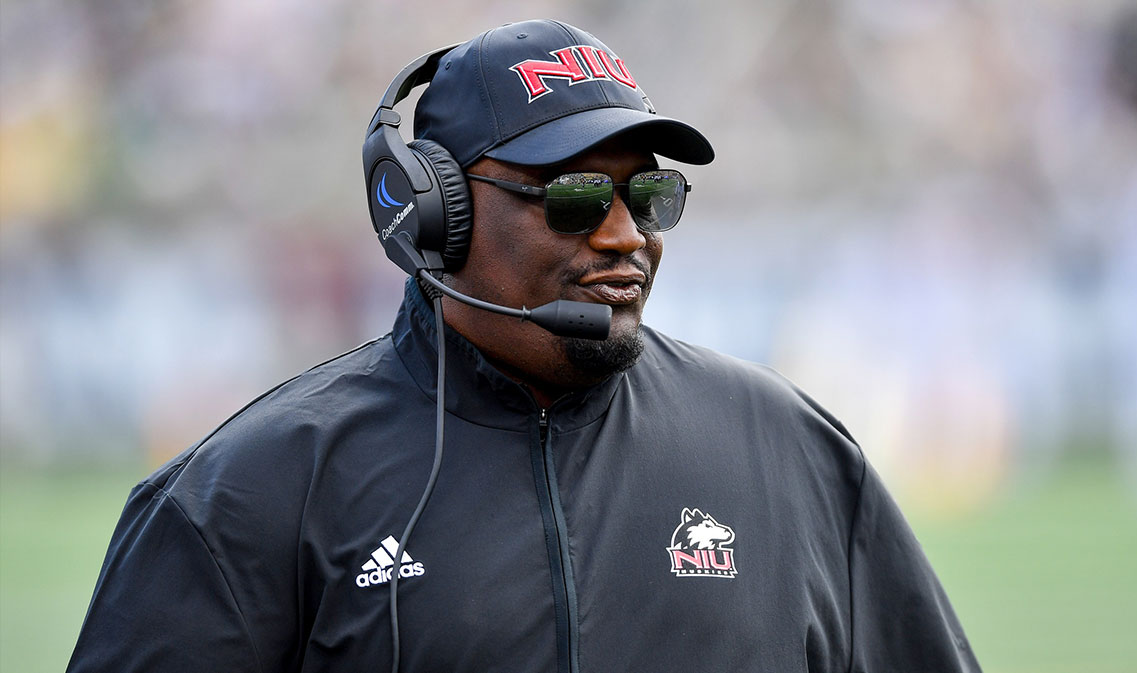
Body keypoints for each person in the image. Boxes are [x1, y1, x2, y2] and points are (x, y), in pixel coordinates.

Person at [67, 19, 981, 673]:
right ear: (435, 212)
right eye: (578, 196)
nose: (627, 235)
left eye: (649, 199)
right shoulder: (245, 496)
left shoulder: (790, 451)